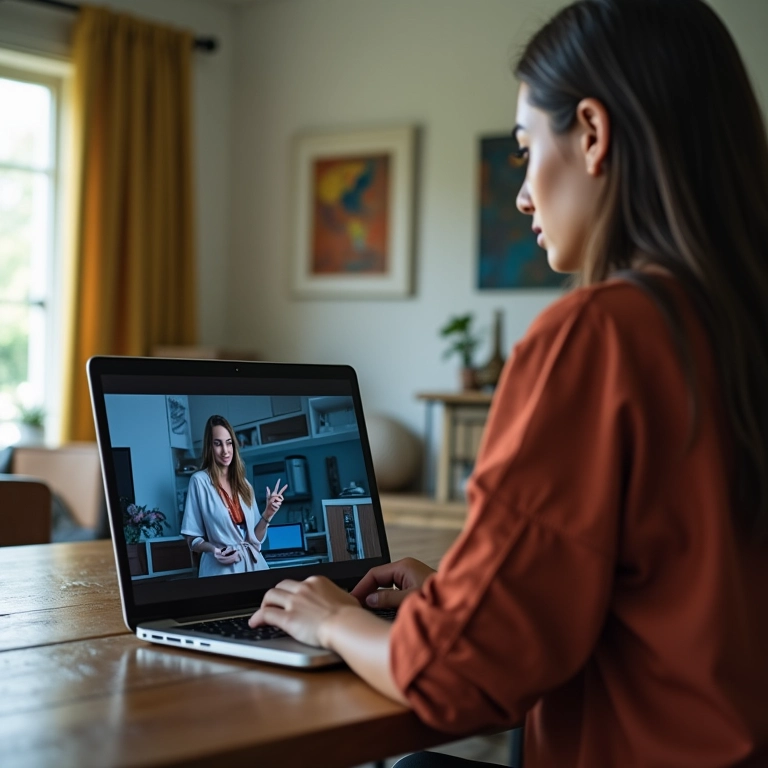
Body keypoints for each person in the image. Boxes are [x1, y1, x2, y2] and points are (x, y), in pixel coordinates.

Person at [248, 0, 768, 764]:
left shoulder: (600, 337)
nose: (523, 193)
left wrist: (331, 620)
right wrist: (457, 600)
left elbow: (457, 676)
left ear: (592, 133)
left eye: (526, 149)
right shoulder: (738, 328)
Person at [181, 415, 287, 577]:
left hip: (255, 566)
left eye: (229, 443)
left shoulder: (245, 485)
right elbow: (192, 540)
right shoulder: (199, 481)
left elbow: (255, 540)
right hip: (220, 570)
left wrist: (268, 514)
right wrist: (214, 550)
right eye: (218, 444)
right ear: (210, 447)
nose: (225, 450)